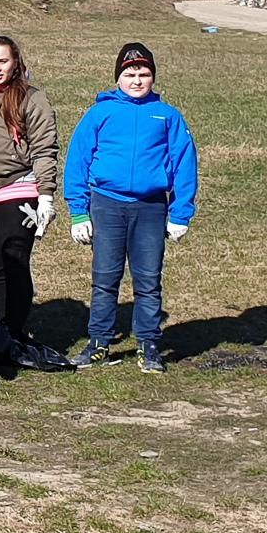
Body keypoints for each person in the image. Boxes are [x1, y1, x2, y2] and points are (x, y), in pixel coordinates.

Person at [65, 42, 199, 374]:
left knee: (148, 279)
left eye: (144, 74)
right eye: (129, 74)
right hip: (106, 206)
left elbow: (184, 164)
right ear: (118, 78)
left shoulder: (167, 116)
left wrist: (180, 213)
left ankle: (150, 344)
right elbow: (77, 160)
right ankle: (98, 342)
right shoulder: (100, 113)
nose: (137, 80)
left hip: (151, 208)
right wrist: (79, 211)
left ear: (153, 77)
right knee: (105, 277)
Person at [0, 34, 63, 364]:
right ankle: (2, 331)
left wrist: (45, 195)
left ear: (15, 62)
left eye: (2, 61)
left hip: (17, 188)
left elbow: (45, 148)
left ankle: (12, 332)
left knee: (13, 258)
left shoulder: (32, 98)